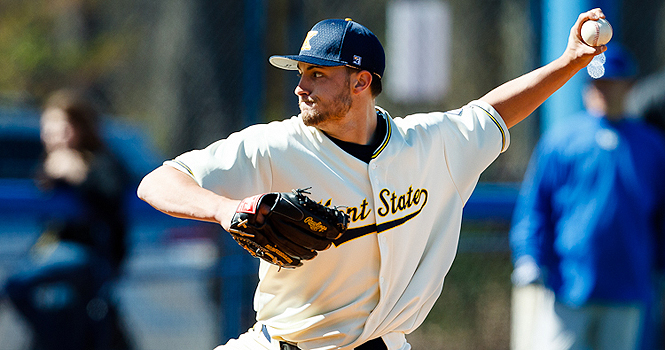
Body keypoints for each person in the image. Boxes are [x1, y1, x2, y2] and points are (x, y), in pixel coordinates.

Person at [137, 9, 608, 350]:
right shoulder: (273, 146)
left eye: (318, 74)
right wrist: (225, 209)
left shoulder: (431, 145)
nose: (301, 86)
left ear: (361, 82)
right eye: (300, 72)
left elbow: (493, 112)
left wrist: (570, 61)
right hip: (284, 343)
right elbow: (158, 182)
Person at [509, 43, 665, 350]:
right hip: (570, 284)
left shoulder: (652, 146)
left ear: (629, 86)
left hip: (628, 286)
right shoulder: (562, 140)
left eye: (611, 83)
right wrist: (529, 257)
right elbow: (535, 208)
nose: (603, 91)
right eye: (597, 83)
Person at [3, 89, 132, 350]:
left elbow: (112, 195)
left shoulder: (100, 160)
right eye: (46, 128)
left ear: (78, 126)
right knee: (54, 309)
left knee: (21, 285)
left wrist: (79, 174)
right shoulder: (50, 163)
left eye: (59, 127)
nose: (51, 135)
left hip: (91, 254)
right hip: (55, 254)